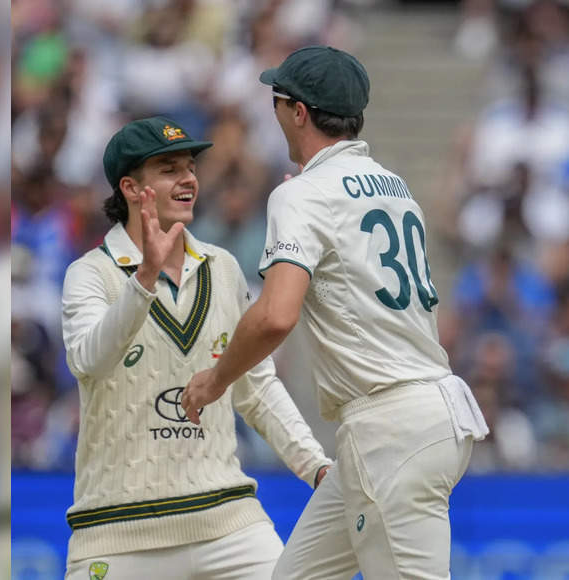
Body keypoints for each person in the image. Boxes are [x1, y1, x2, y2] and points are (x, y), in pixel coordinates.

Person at [181, 46, 488, 579]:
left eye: (278, 100)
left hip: (389, 427)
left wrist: (215, 380)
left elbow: (276, 314)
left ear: (299, 111)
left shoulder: (301, 196)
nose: (274, 113)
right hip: (421, 413)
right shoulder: (396, 188)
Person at [60, 116, 331, 579]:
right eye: (168, 169)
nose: (188, 178)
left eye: (190, 166)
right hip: (118, 532)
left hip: (228, 524)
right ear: (130, 187)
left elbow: (257, 389)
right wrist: (143, 279)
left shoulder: (223, 268)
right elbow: (89, 359)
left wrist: (317, 469)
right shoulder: (91, 274)